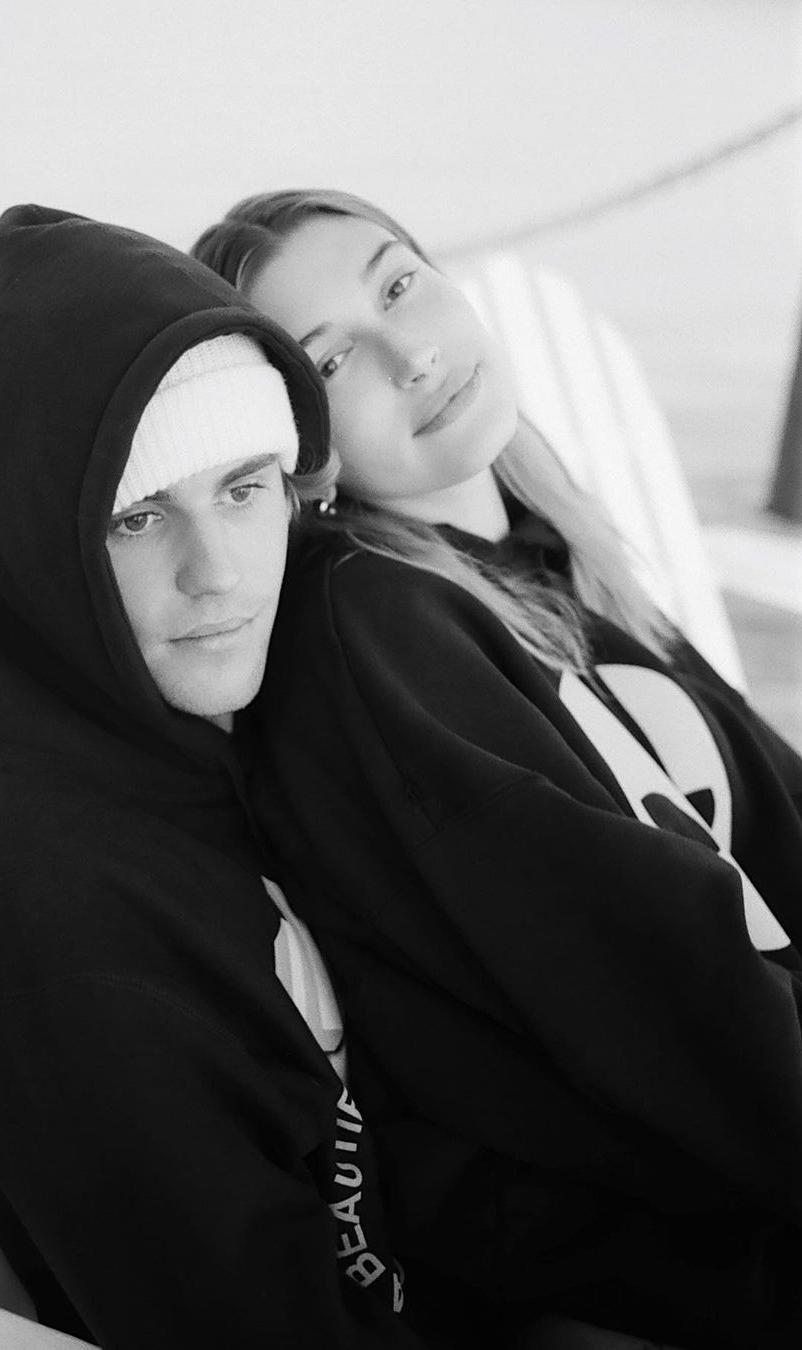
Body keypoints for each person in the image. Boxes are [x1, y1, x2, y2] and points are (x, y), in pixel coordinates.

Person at [191, 189, 802, 1348]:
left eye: (399, 283)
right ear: (299, 456)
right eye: (334, 358)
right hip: (672, 1246)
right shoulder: (368, 625)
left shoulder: (542, 560)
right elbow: (643, 970)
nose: (410, 353)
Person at [0, 203, 427, 1348]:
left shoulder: (212, 751)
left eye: (244, 489)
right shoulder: (53, 914)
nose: (218, 574)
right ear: (35, 553)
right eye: (138, 518)